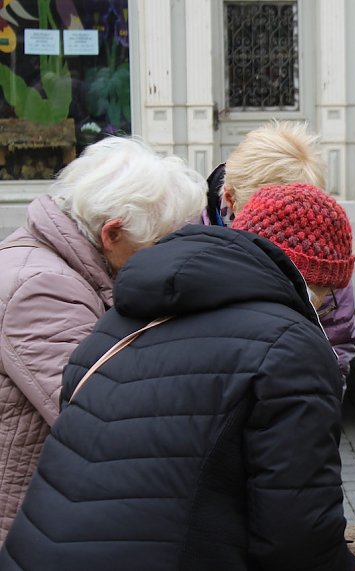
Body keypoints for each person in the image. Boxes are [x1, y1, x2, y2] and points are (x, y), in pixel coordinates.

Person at [0, 184, 355, 570]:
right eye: (328, 292)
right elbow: (297, 533)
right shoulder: (292, 344)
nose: (324, 307)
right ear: (311, 279)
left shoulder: (122, 317)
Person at [0, 136, 207, 544]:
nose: (164, 260)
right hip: (24, 531)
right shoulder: (39, 288)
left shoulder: (57, 264)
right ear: (112, 233)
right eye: (155, 246)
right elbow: (102, 420)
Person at [204, 120, 355, 386]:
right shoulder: (192, 241)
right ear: (231, 200)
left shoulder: (321, 248)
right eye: (268, 217)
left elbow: (338, 338)